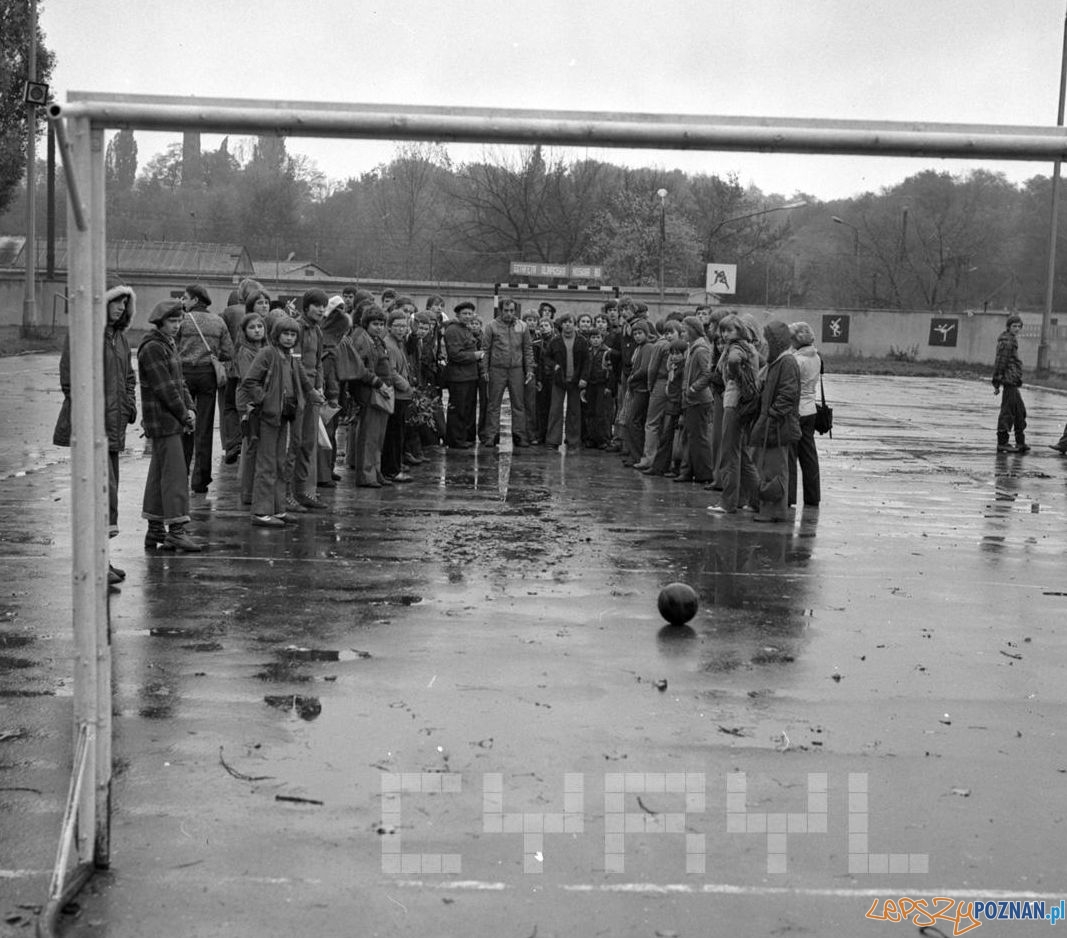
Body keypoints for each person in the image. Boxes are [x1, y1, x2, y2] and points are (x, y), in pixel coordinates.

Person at [56, 283, 138, 584]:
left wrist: (129, 403)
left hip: (114, 427)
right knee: (96, 494)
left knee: (109, 494)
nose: (119, 307)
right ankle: (94, 562)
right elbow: (70, 377)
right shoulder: (84, 333)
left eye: (124, 302)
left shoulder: (120, 337)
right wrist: (86, 415)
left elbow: (129, 377)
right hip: (93, 429)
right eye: (115, 301)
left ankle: (103, 557)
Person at [241, 317, 325, 527]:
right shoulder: (267, 354)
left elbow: (303, 380)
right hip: (269, 416)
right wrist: (265, 400)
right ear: (276, 335)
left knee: (280, 463)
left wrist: (313, 394)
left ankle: (278, 509)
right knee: (266, 464)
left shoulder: (291, 357)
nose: (289, 338)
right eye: (285, 334)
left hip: (286, 415)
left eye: (293, 334)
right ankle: (261, 512)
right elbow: (249, 381)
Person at [138, 300, 201, 552]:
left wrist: (191, 408)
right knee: (175, 476)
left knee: (159, 475)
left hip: (170, 420)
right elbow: (165, 388)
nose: (177, 326)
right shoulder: (153, 347)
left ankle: (154, 530)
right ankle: (176, 531)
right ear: (160, 322)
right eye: (172, 321)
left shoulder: (167, 344)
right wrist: (184, 414)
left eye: (179, 321)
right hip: (164, 421)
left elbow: (180, 382)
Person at [176, 283, 233, 494]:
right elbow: (228, 352)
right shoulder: (218, 321)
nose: (183, 301)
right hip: (208, 375)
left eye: (185, 297)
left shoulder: (182, 320)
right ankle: (200, 480)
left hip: (184, 375)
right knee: (205, 427)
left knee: (185, 423)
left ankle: (181, 474)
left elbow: (173, 347)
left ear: (195, 300)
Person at [707, 313, 761, 514]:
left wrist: (737, 375)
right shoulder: (751, 347)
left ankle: (728, 502)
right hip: (745, 403)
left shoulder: (736, 348)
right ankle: (756, 500)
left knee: (730, 452)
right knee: (742, 454)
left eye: (730, 330)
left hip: (734, 402)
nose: (725, 334)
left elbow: (733, 361)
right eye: (723, 330)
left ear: (739, 330)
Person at [749, 321, 801, 523]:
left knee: (775, 470)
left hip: (778, 426)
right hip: (771, 423)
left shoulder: (786, 362)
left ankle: (774, 511)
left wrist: (772, 414)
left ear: (776, 341)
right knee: (767, 468)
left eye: (768, 339)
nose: (765, 343)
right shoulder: (778, 361)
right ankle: (766, 508)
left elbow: (788, 394)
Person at [481, 296, 534, 448]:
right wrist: (484, 369)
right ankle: (491, 436)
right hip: (497, 369)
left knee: (518, 404)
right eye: (506, 310)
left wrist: (529, 369)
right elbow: (486, 349)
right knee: (493, 404)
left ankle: (519, 436)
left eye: (512, 310)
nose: (509, 313)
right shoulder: (492, 326)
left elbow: (527, 349)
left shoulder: (522, 326)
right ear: (500, 310)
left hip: (516, 369)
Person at [233, 311, 269, 508]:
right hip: (249, 402)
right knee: (250, 446)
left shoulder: (264, 348)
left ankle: (255, 489)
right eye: (252, 327)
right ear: (245, 332)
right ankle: (247, 492)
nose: (257, 330)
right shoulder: (245, 352)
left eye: (260, 326)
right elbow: (249, 380)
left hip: (261, 400)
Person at [675, 316, 716, 484]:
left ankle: (704, 474)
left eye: (684, 330)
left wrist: (693, 388)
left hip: (698, 400)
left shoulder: (700, 349)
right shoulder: (693, 348)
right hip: (692, 400)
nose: (682, 334)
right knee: (691, 437)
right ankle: (689, 471)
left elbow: (708, 373)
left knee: (699, 438)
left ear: (692, 330)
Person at [543, 312, 590, 450]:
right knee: (555, 410)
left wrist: (583, 378)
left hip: (575, 381)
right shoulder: (555, 341)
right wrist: (554, 366)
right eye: (565, 322)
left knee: (574, 411)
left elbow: (587, 361)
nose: (568, 325)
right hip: (559, 381)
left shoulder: (581, 341)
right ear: (561, 325)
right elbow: (547, 357)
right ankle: (553, 439)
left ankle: (573, 439)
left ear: (574, 324)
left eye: (570, 322)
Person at [442, 301, 484, 449]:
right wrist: (475, 355)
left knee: (467, 409)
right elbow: (455, 355)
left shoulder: (465, 329)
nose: (468, 316)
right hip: (459, 377)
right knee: (458, 410)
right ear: (458, 315)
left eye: (470, 313)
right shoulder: (453, 330)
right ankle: (455, 440)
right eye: (464, 314)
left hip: (470, 376)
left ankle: (464, 437)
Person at [788, 322, 822, 508]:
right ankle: (812, 496)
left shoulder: (795, 360)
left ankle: (790, 497)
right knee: (809, 456)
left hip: (796, 409)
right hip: (811, 409)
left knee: (790, 456)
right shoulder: (817, 357)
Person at [992, 313, 1029, 453]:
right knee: (1007, 412)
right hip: (1009, 380)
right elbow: (1001, 362)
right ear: (1008, 327)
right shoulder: (1007, 341)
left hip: (1013, 380)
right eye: (1014, 326)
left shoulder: (1012, 340)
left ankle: (1021, 442)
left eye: (1019, 326)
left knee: (1020, 411)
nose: (1017, 328)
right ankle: (1002, 442)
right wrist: (996, 381)